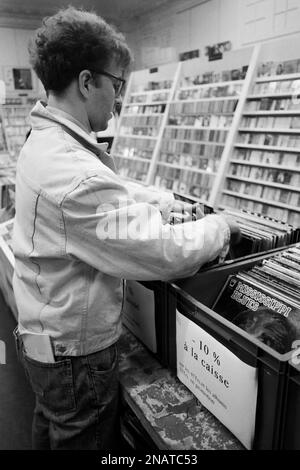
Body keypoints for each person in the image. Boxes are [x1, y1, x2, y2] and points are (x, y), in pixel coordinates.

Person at [12, 6, 240, 450]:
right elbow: (161, 253)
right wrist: (220, 227)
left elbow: (108, 194)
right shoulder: (75, 174)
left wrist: (168, 202)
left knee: (52, 426)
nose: (119, 99)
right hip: (75, 356)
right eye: (116, 85)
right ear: (85, 81)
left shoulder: (47, 142)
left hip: (45, 341)